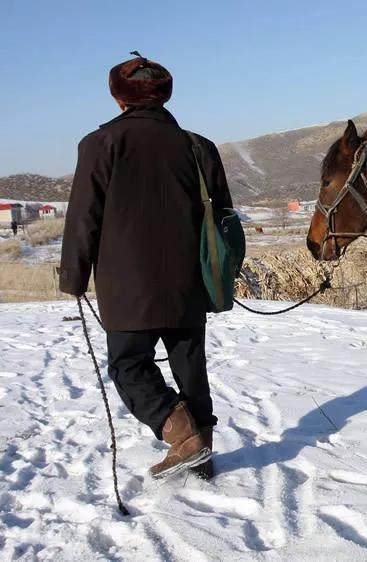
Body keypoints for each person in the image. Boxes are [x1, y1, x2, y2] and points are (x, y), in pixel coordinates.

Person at [59, 52, 233, 480]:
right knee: (190, 368)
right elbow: (224, 218)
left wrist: (74, 276)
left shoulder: (100, 143)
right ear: (164, 95)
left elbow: (83, 216)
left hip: (127, 285)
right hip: (190, 281)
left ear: (119, 98)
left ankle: (181, 434)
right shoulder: (199, 147)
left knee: (128, 365)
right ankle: (203, 457)